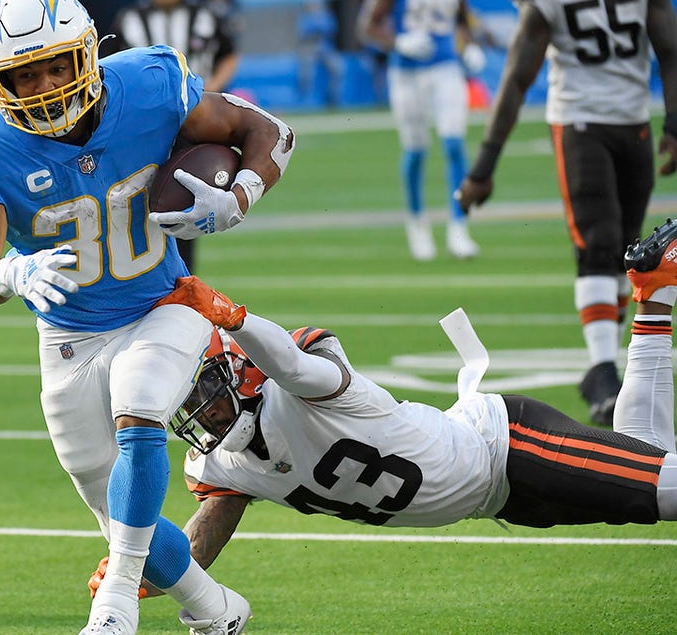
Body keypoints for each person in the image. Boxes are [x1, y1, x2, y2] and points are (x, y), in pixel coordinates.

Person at [0, 0, 293, 635]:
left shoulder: (151, 87)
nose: (42, 85)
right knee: (130, 520)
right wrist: (10, 270)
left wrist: (240, 194)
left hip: (165, 300)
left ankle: (114, 605)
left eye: (54, 65)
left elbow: (265, 130)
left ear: (88, 56)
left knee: (141, 400)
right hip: (68, 332)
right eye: (23, 74)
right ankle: (218, 610)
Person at [94, 225, 677, 575]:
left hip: (509, 446)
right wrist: (151, 573)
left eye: (207, 395)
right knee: (648, 463)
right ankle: (654, 295)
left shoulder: (309, 387)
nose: (203, 414)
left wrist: (234, 317)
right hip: (496, 499)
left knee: (666, 487)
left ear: (240, 370)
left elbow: (294, 362)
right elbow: (203, 534)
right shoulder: (223, 461)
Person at [459, 0, 677, 427]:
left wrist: (675, 123)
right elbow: (519, 74)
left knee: (629, 249)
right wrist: (484, 167)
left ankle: (607, 368)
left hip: (634, 118)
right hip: (579, 121)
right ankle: (601, 371)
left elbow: (670, 48)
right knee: (598, 243)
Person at [106, 0, 240, 273]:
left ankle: (183, 279)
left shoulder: (205, 16)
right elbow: (107, 67)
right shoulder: (129, 19)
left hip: (195, 121)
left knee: (186, 199)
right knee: (134, 201)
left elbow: (229, 53)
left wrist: (213, 90)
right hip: (143, 124)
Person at [357, 0, 485, 261]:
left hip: (446, 68)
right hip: (407, 74)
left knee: (454, 143)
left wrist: (468, 46)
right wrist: (398, 41)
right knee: (416, 150)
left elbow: (463, 20)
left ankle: (459, 227)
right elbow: (367, 26)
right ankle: (417, 223)